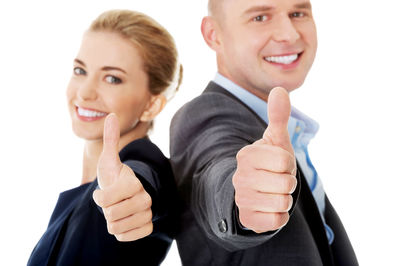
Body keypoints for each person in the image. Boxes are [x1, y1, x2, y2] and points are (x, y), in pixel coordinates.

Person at [170, 0, 358, 265]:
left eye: (298, 13)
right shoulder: (205, 116)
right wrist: (239, 199)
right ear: (214, 34)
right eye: (260, 17)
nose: (289, 34)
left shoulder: (281, 130)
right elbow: (216, 165)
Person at [28, 9, 182, 266]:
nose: (85, 92)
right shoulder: (82, 193)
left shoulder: (144, 166)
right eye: (80, 71)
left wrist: (130, 194)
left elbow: (144, 183)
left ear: (152, 105)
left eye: (112, 78)